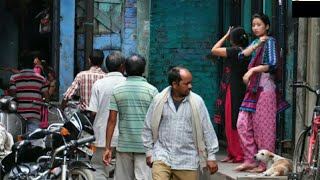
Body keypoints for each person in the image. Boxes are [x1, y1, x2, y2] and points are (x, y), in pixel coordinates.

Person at [234, 13, 289, 172]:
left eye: (259, 24)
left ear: (267, 26)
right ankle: (251, 159)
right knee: (242, 124)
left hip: (265, 89)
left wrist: (252, 71)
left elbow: (272, 64)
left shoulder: (270, 41)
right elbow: (240, 55)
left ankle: (266, 165)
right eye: (253, 25)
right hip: (253, 90)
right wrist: (256, 45)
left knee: (263, 129)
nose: (256, 27)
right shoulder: (257, 42)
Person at [142, 67, 219, 180]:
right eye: (186, 83)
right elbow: (148, 126)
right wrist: (149, 152)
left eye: (190, 83)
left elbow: (207, 130)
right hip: (162, 155)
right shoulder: (159, 100)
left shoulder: (197, 102)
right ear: (174, 84)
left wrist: (211, 157)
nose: (190, 86)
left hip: (187, 160)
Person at [103, 54, 158, 180]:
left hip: (124, 145)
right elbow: (157, 121)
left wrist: (107, 148)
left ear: (125, 69)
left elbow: (111, 121)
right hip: (145, 147)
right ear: (143, 69)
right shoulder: (152, 91)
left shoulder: (117, 90)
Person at [211, 26, 250, 163]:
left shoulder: (234, 51)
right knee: (234, 120)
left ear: (233, 40)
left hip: (232, 89)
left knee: (231, 121)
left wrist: (225, 36)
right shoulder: (246, 51)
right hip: (239, 88)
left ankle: (237, 153)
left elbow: (214, 50)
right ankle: (233, 152)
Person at [87, 51, 126, 179]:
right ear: (122, 66)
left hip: (102, 134)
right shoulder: (127, 83)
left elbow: (93, 111)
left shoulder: (99, 84)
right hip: (124, 136)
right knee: (121, 171)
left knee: (99, 169)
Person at [8, 57, 49, 133]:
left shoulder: (14, 78)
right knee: (33, 139)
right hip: (34, 114)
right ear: (33, 64)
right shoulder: (41, 79)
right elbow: (47, 98)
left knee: (18, 138)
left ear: (21, 65)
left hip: (18, 115)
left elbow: (12, 96)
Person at [61, 49, 107, 117]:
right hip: (101, 116)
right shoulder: (106, 77)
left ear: (89, 60)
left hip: (85, 116)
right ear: (103, 61)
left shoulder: (81, 75)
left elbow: (67, 96)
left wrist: (62, 108)